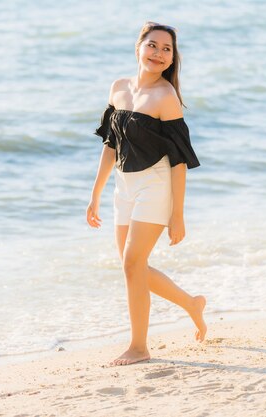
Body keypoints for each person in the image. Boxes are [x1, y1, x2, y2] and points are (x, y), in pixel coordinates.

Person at [87, 21, 207, 367]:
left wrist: (178, 214)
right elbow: (111, 144)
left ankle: (139, 347)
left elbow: (179, 162)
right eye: (152, 45)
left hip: (156, 185)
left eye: (166, 49)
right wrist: (95, 194)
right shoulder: (119, 88)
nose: (158, 53)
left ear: (172, 59)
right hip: (123, 186)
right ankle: (191, 304)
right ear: (139, 47)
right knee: (132, 267)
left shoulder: (166, 98)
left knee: (132, 262)